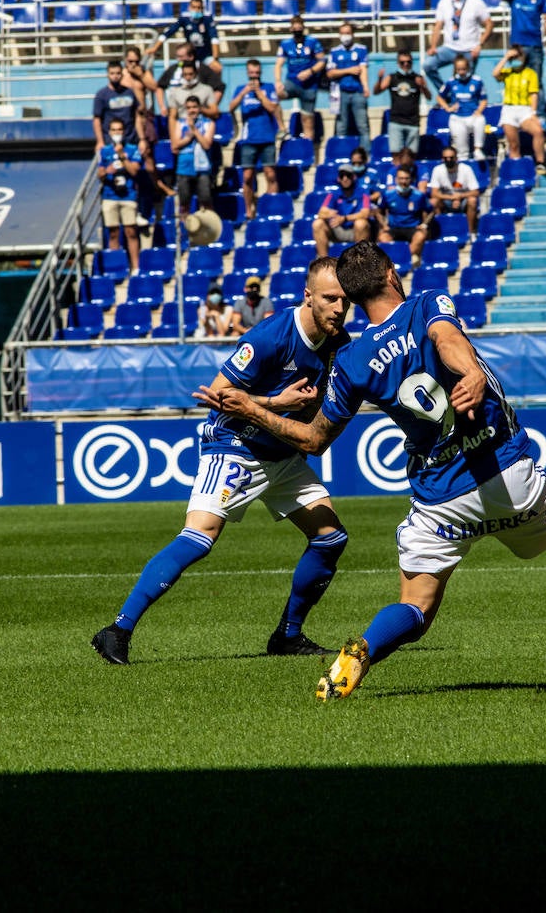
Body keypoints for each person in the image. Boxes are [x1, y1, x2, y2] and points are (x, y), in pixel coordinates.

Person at [195, 242, 546, 699]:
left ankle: (361, 651)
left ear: (352, 298)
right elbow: (445, 337)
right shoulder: (427, 303)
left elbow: (314, 440)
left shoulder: (350, 361)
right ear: (392, 275)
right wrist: (470, 373)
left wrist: (253, 409)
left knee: (415, 607)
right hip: (503, 473)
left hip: (441, 501)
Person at [92, 258, 352, 664]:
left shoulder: (338, 342)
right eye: (330, 298)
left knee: (330, 537)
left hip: (281, 454)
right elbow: (217, 394)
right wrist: (277, 402)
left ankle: (287, 635)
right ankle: (116, 631)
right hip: (237, 445)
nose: (338, 307)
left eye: (345, 300)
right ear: (308, 296)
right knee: (200, 537)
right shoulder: (270, 337)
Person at [230, 58, 282, 220]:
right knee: (247, 176)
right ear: (247, 73)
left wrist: (260, 94)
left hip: (267, 138)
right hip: (248, 139)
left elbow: (273, 107)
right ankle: (248, 209)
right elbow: (231, 107)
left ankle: (270, 207)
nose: (254, 77)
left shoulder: (268, 88)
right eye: (252, 73)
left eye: (257, 73)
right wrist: (244, 93)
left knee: (270, 174)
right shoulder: (241, 89)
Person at [492, 44, 546, 175]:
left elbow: (534, 94)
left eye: (517, 56)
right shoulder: (508, 72)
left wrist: (533, 112)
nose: (515, 59)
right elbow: (495, 73)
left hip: (524, 109)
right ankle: (517, 170)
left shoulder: (530, 73)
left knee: (538, 132)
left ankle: (540, 162)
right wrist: (506, 57)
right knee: (513, 144)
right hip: (509, 109)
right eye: (513, 57)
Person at [275, 15, 327, 151]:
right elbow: (278, 64)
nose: (297, 31)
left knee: (308, 120)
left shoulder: (312, 42)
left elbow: (322, 61)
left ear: (303, 28)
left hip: (309, 86)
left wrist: (310, 71)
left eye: (299, 28)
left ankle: (308, 150)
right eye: (294, 28)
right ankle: (282, 128)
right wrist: (278, 81)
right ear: (291, 29)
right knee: (275, 95)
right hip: (292, 82)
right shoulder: (285, 44)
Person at [98, 118, 143, 273]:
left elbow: (135, 171)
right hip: (110, 195)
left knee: (131, 231)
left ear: (124, 132)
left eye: (119, 130)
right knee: (113, 232)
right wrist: (106, 171)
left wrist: (122, 156)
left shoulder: (132, 149)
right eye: (114, 130)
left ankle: (135, 266)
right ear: (109, 132)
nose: (117, 133)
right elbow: (100, 174)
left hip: (128, 195)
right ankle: (116, 268)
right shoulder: (104, 151)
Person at [424, 0, 494, 90]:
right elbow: (438, 25)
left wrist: (479, 45)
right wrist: (433, 46)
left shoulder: (475, 2)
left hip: (469, 50)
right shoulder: (444, 2)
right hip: (449, 48)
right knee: (428, 65)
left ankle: (466, 100)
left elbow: (489, 24)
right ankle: (445, 93)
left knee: (466, 82)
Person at [374, 49, 430, 154]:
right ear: (398, 63)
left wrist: (422, 86)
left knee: (411, 154)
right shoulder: (392, 78)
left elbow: (429, 97)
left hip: (413, 122)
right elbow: (377, 91)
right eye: (402, 62)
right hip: (396, 121)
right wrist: (380, 79)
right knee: (396, 153)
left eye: (408, 62)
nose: (406, 65)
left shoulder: (417, 78)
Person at [171, 95, 215, 224]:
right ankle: (186, 228)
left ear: (200, 108)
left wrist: (194, 130)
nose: (192, 110)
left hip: (202, 166)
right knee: (184, 201)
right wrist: (187, 139)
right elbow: (175, 144)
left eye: (194, 107)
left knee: (205, 199)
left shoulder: (208, 123)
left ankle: (209, 227)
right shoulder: (180, 123)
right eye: (189, 108)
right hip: (184, 166)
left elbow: (207, 144)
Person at [377, 163, 433, 266]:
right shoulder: (388, 195)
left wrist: (424, 224)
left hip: (412, 227)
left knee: (421, 236)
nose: (403, 181)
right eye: (401, 178)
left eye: (406, 178)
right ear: (396, 179)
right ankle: (405, 259)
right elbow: (379, 211)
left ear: (411, 179)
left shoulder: (419, 195)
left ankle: (402, 260)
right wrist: (383, 225)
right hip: (394, 227)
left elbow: (431, 211)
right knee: (382, 238)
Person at [149, 0, 224, 74]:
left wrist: (215, 58)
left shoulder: (207, 19)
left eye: (199, 8)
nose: (196, 10)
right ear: (189, 7)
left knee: (217, 68)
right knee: (180, 70)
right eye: (194, 7)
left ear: (202, 8)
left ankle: (217, 86)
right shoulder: (184, 19)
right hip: (189, 56)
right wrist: (155, 48)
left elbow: (214, 38)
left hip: (205, 56)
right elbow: (168, 33)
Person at [313, 162, 373, 256]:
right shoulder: (333, 193)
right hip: (337, 229)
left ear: (353, 177)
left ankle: (360, 262)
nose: (345, 179)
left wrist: (344, 218)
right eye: (342, 176)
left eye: (348, 176)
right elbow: (321, 213)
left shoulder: (363, 192)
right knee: (317, 224)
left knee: (361, 223)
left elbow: (365, 213)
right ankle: (324, 263)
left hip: (355, 230)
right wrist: (329, 214)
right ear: (338, 179)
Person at [328, 23, 371, 153]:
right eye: (343, 33)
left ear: (352, 34)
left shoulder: (361, 49)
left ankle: (365, 155)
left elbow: (363, 69)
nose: (345, 36)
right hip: (340, 93)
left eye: (348, 33)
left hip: (357, 91)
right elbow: (330, 73)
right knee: (341, 126)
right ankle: (342, 153)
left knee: (362, 126)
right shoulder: (334, 52)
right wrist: (349, 70)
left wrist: (365, 87)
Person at [437, 54, 489, 162]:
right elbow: (439, 97)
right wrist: (448, 108)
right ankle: (463, 162)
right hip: (457, 117)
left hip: (472, 116)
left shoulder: (477, 81)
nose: (461, 72)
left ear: (468, 68)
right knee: (462, 151)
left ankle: (478, 149)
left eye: (464, 69)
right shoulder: (451, 82)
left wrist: (479, 110)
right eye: (459, 69)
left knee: (481, 120)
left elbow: (484, 99)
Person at [507, 0, 546, 112]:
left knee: (536, 82)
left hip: (535, 46)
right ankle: (518, 113)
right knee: (516, 80)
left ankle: (539, 115)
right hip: (517, 47)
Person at [429, 148, 483, 237]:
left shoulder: (466, 169)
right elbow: (434, 193)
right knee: (434, 202)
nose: (448, 160)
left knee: (472, 201)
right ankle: (441, 231)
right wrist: (451, 198)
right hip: (446, 200)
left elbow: (475, 191)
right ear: (442, 159)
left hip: (463, 199)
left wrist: (460, 196)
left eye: (451, 157)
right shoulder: (437, 170)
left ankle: (470, 233)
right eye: (445, 158)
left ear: (456, 158)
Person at [92, 59, 140, 152]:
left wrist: (141, 138)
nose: (115, 76)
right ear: (107, 74)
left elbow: (137, 115)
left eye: (118, 73)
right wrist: (100, 141)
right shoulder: (101, 95)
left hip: (130, 139)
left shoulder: (130, 92)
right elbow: (97, 119)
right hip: (110, 141)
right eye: (112, 73)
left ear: (122, 74)